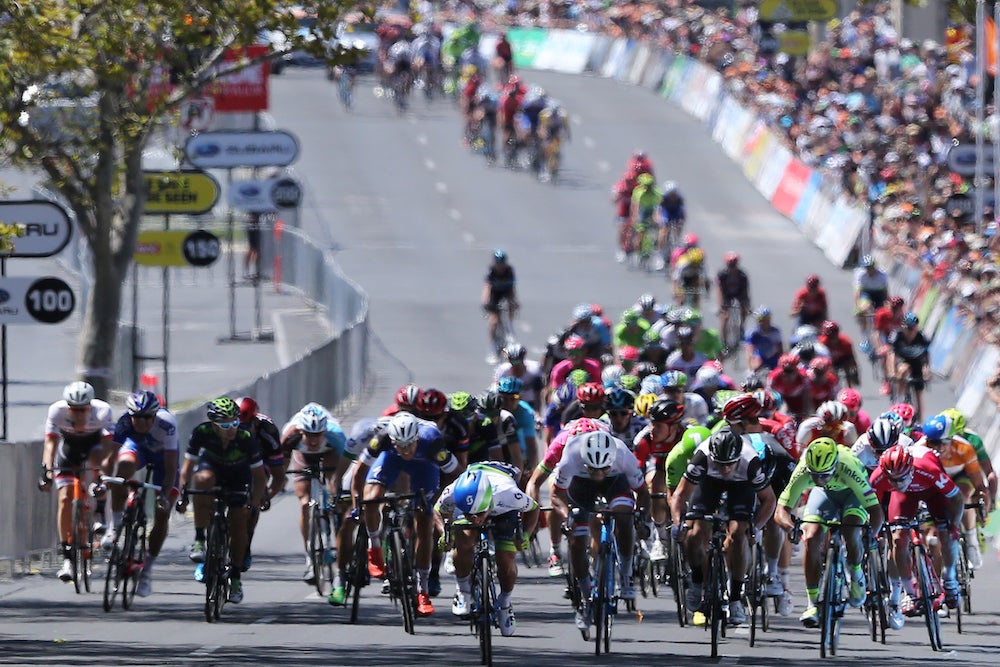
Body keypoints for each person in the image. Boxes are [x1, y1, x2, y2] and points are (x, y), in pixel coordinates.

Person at [352, 412, 461, 617]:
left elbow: (457, 474)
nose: (406, 450)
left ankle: (422, 591)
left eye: (410, 445)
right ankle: (374, 547)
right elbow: (359, 472)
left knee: (424, 522)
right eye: (400, 445)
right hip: (391, 460)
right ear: (392, 441)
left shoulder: (432, 442)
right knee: (371, 499)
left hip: (424, 466)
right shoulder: (382, 439)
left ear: (416, 438)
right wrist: (357, 505)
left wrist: (442, 502)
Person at [670, 428, 776, 627]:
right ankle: (697, 582)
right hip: (709, 482)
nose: (725, 469)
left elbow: (769, 500)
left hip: (741, 485)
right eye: (720, 463)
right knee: (694, 531)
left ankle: (735, 598)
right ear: (712, 457)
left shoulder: (750, 461)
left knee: (738, 533)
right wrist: (678, 524)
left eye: (729, 464)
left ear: (738, 457)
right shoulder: (702, 458)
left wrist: (756, 528)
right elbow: (679, 495)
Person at [774, 437, 884, 628]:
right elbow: (781, 511)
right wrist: (791, 529)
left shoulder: (848, 466)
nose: (818, 480)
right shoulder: (803, 470)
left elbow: (876, 511)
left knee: (851, 531)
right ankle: (812, 603)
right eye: (814, 475)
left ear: (834, 466)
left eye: (824, 475)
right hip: (824, 495)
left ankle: (856, 573)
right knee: (811, 537)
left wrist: (869, 536)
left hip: (852, 493)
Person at [552, 430, 650, 631]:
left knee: (624, 516)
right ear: (584, 461)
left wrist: (641, 519)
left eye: (603, 468)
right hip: (580, 486)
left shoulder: (623, 454)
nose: (598, 474)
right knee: (577, 541)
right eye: (593, 469)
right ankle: (586, 598)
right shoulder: (571, 454)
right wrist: (566, 517)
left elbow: (643, 493)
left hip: (614, 482)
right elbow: (556, 495)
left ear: (611, 460)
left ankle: (626, 575)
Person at [177, 397, 268, 604]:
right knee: (201, 481)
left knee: (238, 520)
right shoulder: (202, 432)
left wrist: (254, 504)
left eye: (235, 422)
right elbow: (187, 468)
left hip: (238, 475)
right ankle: (200, 540)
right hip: (212, 469)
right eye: (225, 425)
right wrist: (183, 495)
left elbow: (260, 477)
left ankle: (235, 576)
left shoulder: (246, 438)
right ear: (213, 424)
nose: (231, 429)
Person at [435, 463, 539, 636]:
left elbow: (534, 508)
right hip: (475, 491)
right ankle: (463, 590)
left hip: (502, 509)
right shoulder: (452, 492)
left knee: (505, 558)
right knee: (464, 540)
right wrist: (446, 535)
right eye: (470, 515)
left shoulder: (509, 495)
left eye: (479, 514)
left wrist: (526, 534)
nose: (475, 520)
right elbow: (438, 511)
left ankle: (505, 602)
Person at [870, 444, 964, 624]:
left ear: (911, 469)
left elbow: (956, 497)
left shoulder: (928, 469)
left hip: (934, 494)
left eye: (901, 478)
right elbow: (872, 507)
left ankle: (950, 578)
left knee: (946, 532)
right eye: (893, 480)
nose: (898, 483)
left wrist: (954, 524)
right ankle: (911, 593)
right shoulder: (878, 477)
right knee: (898, 539)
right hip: (905, 497)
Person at [101, 390, 178, 597]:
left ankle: (147, 571)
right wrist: (104, 480)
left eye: (146, 417)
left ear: (154, 415)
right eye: (136, 417)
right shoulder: (124, 422)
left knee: (162, 515)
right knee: (121, 470)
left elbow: (171, 468)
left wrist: (164, 495)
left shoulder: (167, 423)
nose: (141, 422)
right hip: (138, 450)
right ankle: (115, 526)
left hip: (163, 459)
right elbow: (110, 459)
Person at [38, 381, 116, 583]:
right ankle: (67, 558)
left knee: (97, 461)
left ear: (90, 405)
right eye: (74, 409)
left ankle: (99, 511)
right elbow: (50, 444)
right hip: (69, 450)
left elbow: (108, 446)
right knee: (65, 498)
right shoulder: (57, 411)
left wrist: (103, 475)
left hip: (95, 447)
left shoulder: (102, 411)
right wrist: (46, 471)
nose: (79, 413)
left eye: (83, 409)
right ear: (67, 406)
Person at [279, 402, 347, 586]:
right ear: (301, 431)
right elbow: (281, 463)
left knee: (335, 489)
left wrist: (338, 486)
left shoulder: (335, 435)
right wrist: (281, 479)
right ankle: (310, 556)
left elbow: (346, 462)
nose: (314, 440)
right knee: (304, 502)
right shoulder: (290, 435)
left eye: (318, 435)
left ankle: (337, 524)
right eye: (309, 435)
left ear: (325, 431)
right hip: (303, 456)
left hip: (330, 453)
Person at [889, 312, 930, 419]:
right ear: (903, 327)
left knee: (919, 394)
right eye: (908, 329)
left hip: (917, 363)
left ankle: (920, 419)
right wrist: (892, 371)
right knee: (903, 369)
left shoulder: (922, 337)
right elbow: (892, 354)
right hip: (902, 360)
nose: (910, 332)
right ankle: (899, 400)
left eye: (912, 329)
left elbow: (926, 357)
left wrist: (926, 371)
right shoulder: (897, 335)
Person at [482, 249, 518, 355]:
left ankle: (510, 327)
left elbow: (512, 289)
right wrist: (485, 302)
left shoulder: (509, 270)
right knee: (493, 322)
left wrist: (514, 302)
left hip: (506, 291)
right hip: (494, 294)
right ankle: (493, 346)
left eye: (502, 264)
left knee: (512, 304)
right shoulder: (491, 271)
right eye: (498, 264)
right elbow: (487, 288)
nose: (500, 267)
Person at [716, 252, 750, 350]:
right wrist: (721, 306)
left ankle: (741, 327)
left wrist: (746, 305)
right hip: (726, 295)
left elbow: (745, 291)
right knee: (725, 316)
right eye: (730, 265)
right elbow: (719, 290)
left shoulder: (743, 275)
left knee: (744, 309)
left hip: (739, 294)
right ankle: (723, 340)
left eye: (734, 265)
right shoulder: (722, 275)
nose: (732, 267)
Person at [854, 254, 890, 333]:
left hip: (879, 293)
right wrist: (857, 308)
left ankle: (877, 330)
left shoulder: (882, 275)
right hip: (866, 293)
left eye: (871, 268)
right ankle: (864, 331)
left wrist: (887, 305)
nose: (869, 270)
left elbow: (886, 293)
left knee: (881, 313)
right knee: (863, 309)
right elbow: (857, 293)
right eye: (867, 268)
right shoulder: (860, 275)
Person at [744, 306, 783, 371]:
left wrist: (781, 361)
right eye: (761, 319)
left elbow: (780, 348)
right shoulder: (752, 333)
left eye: (766, 319)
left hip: (773, 357)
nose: (764, 322)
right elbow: (749, 351)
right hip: (759, 357)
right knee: (756, 366)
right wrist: (750, 367)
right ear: (757, 320)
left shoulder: (775, 331)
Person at [243, 212, 263, 280]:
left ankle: (257, 271)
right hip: (251, 225)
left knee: (257, 250)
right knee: (251, 249)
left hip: (257, 224)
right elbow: (249, 215)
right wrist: (251, 218)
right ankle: (246, 271)